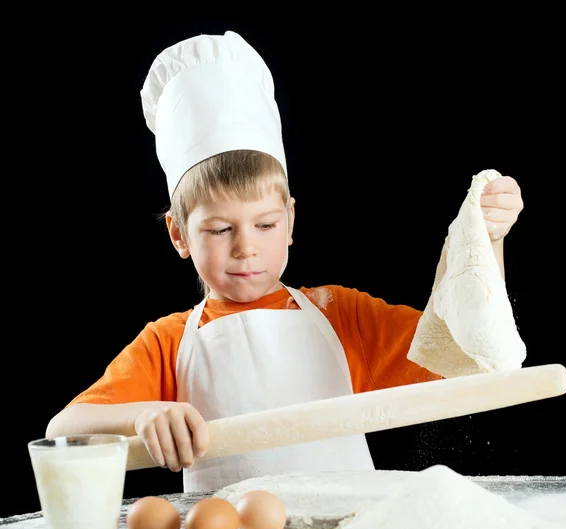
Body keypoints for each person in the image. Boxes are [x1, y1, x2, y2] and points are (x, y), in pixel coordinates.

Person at [45, 31, 524, 492]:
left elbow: (470, 352)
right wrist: (143, 414)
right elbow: (64, 428)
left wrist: (489, 239)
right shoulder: (166, 345)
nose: (246, 247)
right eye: (219, 229)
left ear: (291, 219)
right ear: (178, 234)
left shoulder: (343, 317)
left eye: (266, 225)